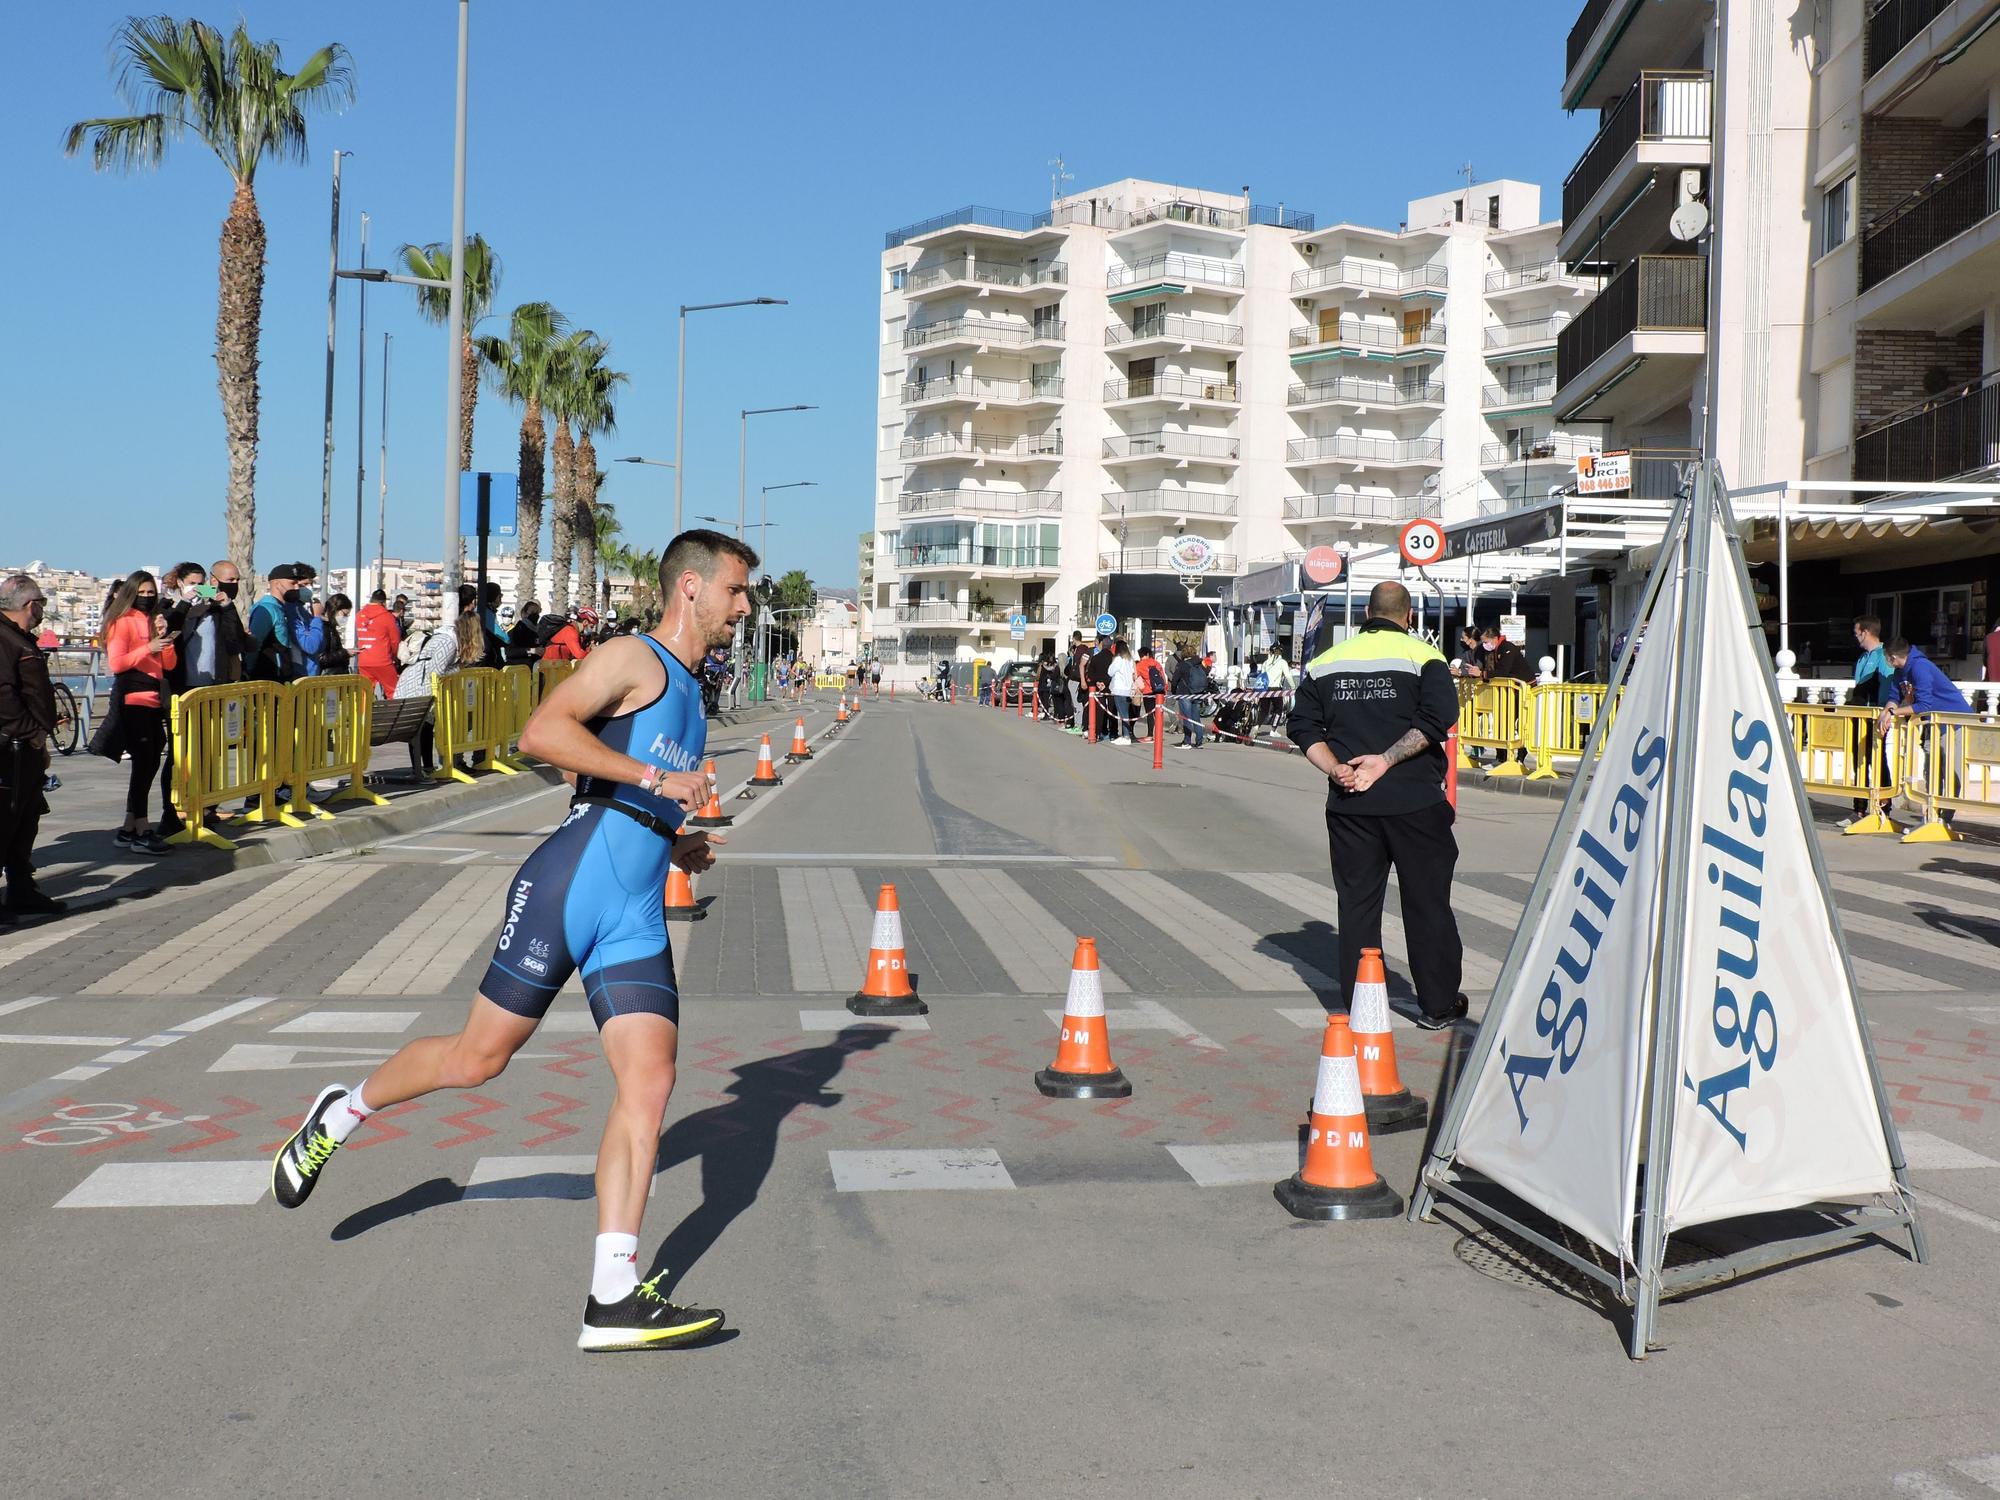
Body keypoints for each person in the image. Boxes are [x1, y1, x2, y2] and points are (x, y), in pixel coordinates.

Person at [271, 529, 756, 1353]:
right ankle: (339, 1113)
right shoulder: (634, 658)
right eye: (738, 591)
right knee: (476, 1061)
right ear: (692, 590)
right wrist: (654, 782)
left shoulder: (691, 694)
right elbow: (542, 733)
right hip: (568, 888)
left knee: (651, 1078)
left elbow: (610, 776)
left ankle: (612, 1295)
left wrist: (674, 836)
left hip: (634, 907)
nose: (745, 607)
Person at [1287, 581, 1466, 1031]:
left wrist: (1336, 769)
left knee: (1358, 906)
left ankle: (1361, 1006)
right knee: (1427, 904)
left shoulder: (1327, 662)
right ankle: (1437, 1004)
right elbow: (1438, 719)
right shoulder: (1424, 656)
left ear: (1367, 612)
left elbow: (1302, 727)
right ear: (1408, 616)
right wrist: (1385, 761)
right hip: (1414, 803)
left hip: (1350, 806)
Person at [92, 571, 176, 855]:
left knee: (152, 759)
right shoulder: (121, 622)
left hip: (154, 696)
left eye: (152, 594)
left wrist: (164, 639)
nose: (148, 598)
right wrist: (148, 647)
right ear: (131, 593)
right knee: (144, 761)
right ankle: (141, 828)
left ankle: (130, 826)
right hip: (133, 696)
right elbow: (118, 663)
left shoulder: (152, 620)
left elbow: (169, 664)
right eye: (142, 593)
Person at [0, 574, 63, 918]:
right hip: (10, 748)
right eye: (41, 601)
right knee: (6, 820)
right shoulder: (4, 639)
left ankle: (22, 889)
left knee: (26, 819)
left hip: (26, 749)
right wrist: (29, 732)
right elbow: (3, 696)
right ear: (30, 604)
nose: (42, 608)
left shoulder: (21, 638)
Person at [1883, 636, 1974, 828]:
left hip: (1954, 722)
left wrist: (1894, 712)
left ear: (1892, 657)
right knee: (1931, 771)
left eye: (1886, 658)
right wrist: (1886, 712)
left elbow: (1924, 704)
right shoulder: (1900, 671)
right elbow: (1894, 696)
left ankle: (1945, 818)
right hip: (1931, 724)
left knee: (1950, 771)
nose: (1886, 662)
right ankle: (1932, 816)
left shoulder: (1920, 667)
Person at [1845, 614, 1898, 827]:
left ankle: (1884, 807)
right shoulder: (1862, 658)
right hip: (1859, 714)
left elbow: (1888, 683)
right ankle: (1858, 809)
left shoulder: (1883, 655)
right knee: (1858, 759)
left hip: (1875, 715)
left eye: (1857, 633)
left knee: (1877, 759)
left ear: (1866, 632)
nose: (1856, 637)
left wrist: (1886, 710)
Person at [246, 563, 299, 682]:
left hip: (282, 681)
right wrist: (248, 672)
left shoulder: (282, 609)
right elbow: (254, 644)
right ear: (276, 584)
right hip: (269, 682)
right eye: (292, 583)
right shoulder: (266, 610)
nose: (297, 588)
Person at [355, 590, 402, 696]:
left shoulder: (359, 615)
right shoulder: (387, 617)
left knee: (365, 694)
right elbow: (395, 641)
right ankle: (394, 712)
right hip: (383, 660)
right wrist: (394, 656)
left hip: (363, 661)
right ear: (383, 603)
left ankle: (364, 712)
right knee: (393, 692)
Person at [1171, 647, 1211, 748]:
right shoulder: (1201, 663)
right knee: (1196, 718)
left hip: (1185, 693)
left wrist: (1174, 691)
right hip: (1198, 693)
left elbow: (1175, 679)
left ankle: (1187, 741)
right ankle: (1199, 740)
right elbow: (1206, 673)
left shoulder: (1182, 665)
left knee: (1186, 718)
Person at [1107, 638, 1137, 745]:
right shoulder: (1129, 660)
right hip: (1127, 689)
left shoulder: (1118, 659)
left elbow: (1110, 672)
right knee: (1125, 713)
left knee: (1123, 714)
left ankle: (1126, 736)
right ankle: (1125, 734)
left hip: (1119, 690)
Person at [317, 594, 354, 676]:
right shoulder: (322, 627)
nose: (345, 618)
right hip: (326, 679)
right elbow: (321, 658)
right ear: (335, 609)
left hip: (335, 676)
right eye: (344, 614)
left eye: (348, 615)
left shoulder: (332, 628)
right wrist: (345, 653)